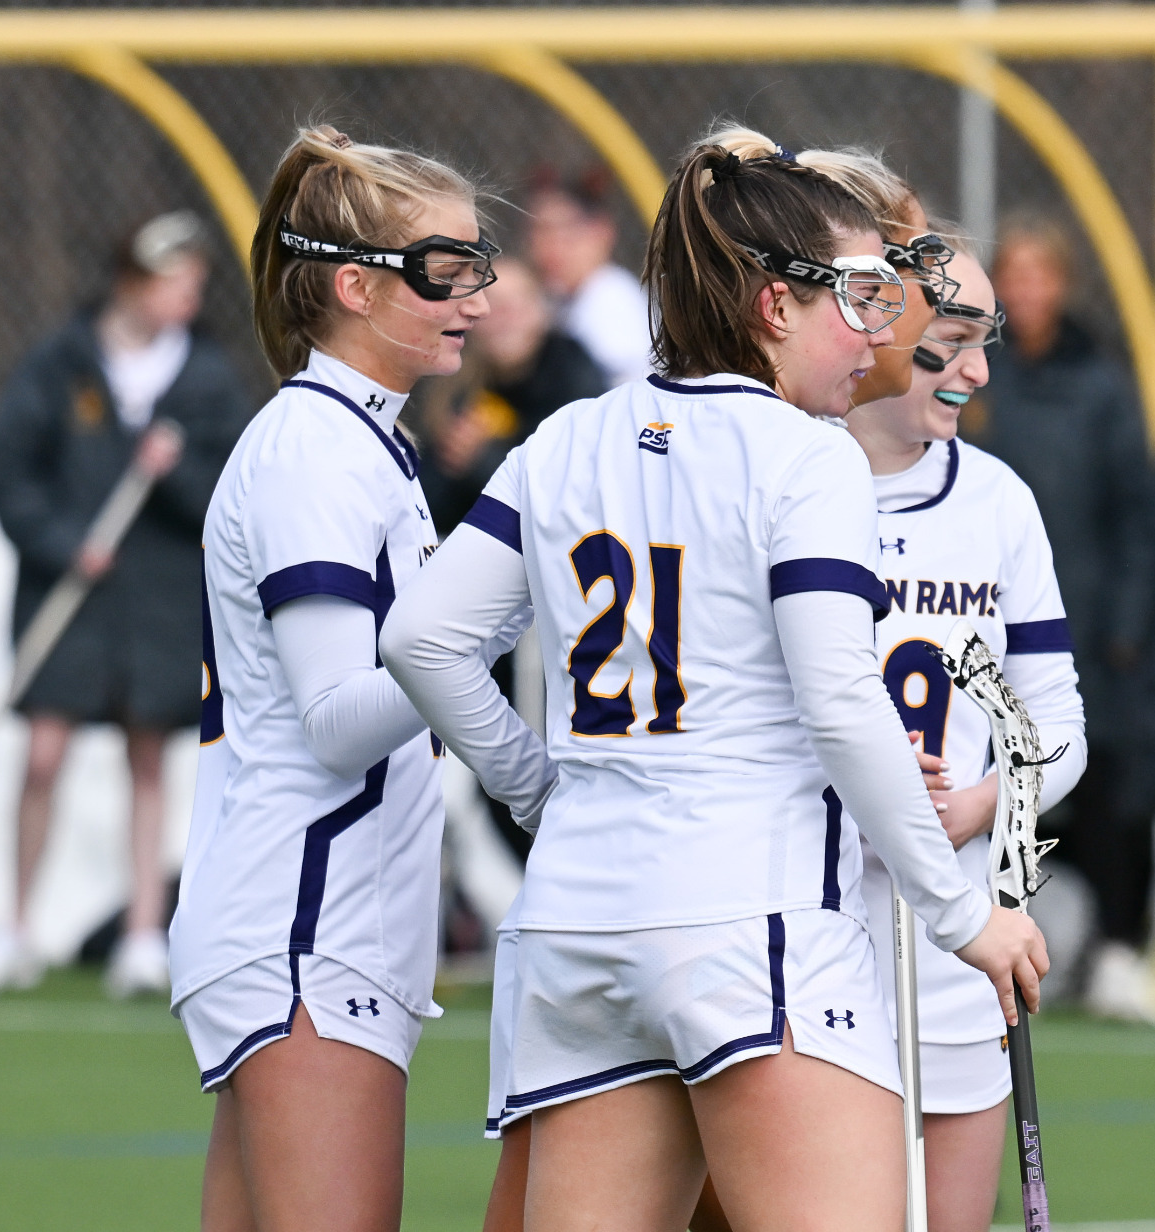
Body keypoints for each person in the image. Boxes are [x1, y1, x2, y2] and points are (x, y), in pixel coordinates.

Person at [381, 134, 1048, 1232]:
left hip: (579, 935)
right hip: (753, 925)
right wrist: (961, 910)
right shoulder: (805, 454)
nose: (883, 327)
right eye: (862, 296)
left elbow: (422, 639)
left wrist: (540, 789)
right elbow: (840, 701)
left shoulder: (566, 436)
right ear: (774, 305)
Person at [167, 125, 522, 1232]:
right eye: (440, 269)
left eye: (477, 264)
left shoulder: (366, 442)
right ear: (355, 287)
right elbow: (334, 720)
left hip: (319, 924)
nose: (470, 294)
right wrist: (503, 597)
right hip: (304, 924)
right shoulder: (314, 449)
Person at [848, 244, 1089, 1232]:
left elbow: (1059, 730)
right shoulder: (782, 481)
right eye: (948, 346)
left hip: (950, 931)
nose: (976, 374)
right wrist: (859, 786)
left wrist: (976, 804)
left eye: (982, 347)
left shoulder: (995, 500)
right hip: (804, 922)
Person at [0, 210, 247, 999]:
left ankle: (142, 933)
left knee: (148, 756)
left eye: (195, 282)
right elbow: (12, 467)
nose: (186, 295)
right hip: (73, 594)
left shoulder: (207, 377)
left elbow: (230, 495)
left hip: (156, 601)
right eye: (171, 281)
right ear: (133, 281)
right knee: (44, 752)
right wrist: (62, 542)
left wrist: (175, 466)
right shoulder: (62, 363)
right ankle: (16, 926)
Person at [970, 214, 1155, 1010]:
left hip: (1083, 620)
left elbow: (1135, 514)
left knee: (1108, 789)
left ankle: (1119, 948)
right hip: (984, 622)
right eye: (1013, 276)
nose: (1027, 291)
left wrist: (1125, 626)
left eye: (1040, 275)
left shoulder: (1102, 383)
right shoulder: (979, 376)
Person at [414, 256, 608, 535]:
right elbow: (432, 506)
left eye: (517, 304)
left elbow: (566, 496)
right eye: (494, 304)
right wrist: (455, 459)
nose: (505, 317)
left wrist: (482, 460)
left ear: (543, 311)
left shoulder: (575, 379)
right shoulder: (456, 381)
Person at [528, 164, 652, 387]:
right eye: (540, 231)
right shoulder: (557, 298)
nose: (551, 246)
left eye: (566, 233)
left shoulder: (611, 297)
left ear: (602, 232)